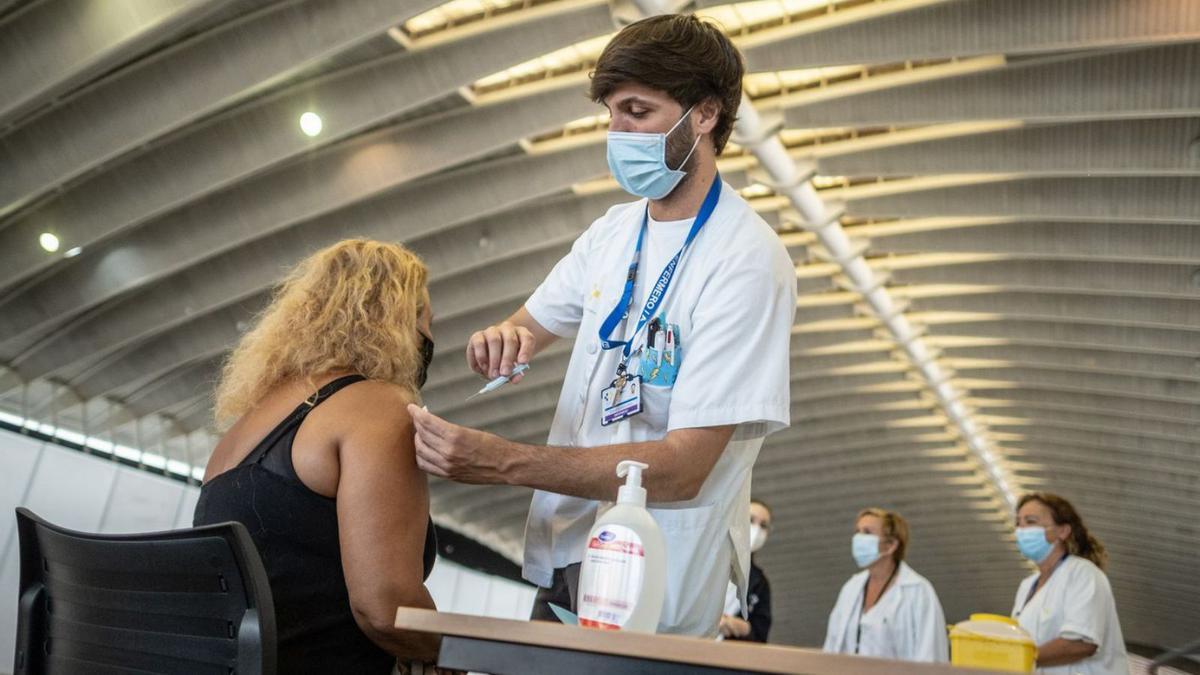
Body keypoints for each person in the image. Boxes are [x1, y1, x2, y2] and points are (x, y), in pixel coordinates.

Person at [405, 14, 796, 636]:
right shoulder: (615, 232)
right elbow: (530, 323)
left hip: (655, 569)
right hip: (570, 547)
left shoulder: (746, 260)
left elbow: (682, 466)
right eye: (611, 113)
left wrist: (505, 462)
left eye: (637, 112)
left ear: (705, 115)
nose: (617, 132)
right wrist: (507, 337)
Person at [194, 240, 446, 674]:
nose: (430, 337)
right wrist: (466, 651)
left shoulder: (244, 430)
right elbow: (386, 609)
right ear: (400, 322)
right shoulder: (380, 407)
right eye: (426, 319)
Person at [1011, 493, 1128, 674]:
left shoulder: (1083, 574)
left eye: (1031, 521)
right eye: (1018, 523)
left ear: (1063, 531)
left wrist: (1020, 657)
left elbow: (1081, 643)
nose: (1021, 530)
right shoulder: (1027, 586)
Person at [824, 508, 948, 662]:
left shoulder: (918, 592)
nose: (858, 538)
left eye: (867, 532)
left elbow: (930, 655)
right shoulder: (851, 588)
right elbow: (831, 646)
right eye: (857, 531)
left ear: (891, 545)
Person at [718, 498, 773, 642]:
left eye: (763, 525)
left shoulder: (759, 584)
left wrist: (743, 627)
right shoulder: (707, 560)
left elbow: (761, 634)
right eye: (751, 520)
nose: (756, 529)